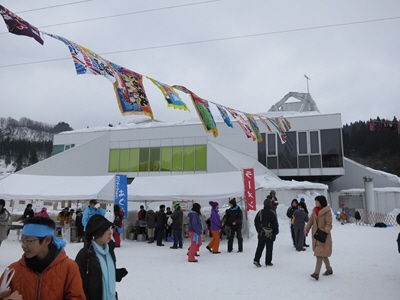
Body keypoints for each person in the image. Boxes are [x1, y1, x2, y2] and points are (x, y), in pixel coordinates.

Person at [0, 216, 86, 299]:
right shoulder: (13, 270)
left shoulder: (68, 268)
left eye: (29, 241)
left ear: (47, 240)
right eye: (22, 240)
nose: (23, 245)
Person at [75, 214, 128, 300]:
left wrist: (115, 273)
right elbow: (78, 283)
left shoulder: (109, 250)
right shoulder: (85, 255)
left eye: (109, 229)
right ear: (97, 233)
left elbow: (102, 271)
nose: (110, 232)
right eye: (106, 230)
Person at [304, 195, 333, 280]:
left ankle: (316, 273)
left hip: (323, 236)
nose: (315, 203)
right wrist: (306, 230)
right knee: (322, 254)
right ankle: (329, 269)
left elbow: (329, 224)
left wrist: (324, 231)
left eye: (317, 201)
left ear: (321, 202)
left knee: (319, 254)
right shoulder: (314, 211)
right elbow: (310, 222)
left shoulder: (327, 211)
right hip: (316, 236)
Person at [253, 199, 279, 267]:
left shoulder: (260, 212)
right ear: (270, 205)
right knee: (269, 248)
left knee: (260, 247)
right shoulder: (272, 213)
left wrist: (258, 230)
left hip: (261, 233)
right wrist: (276, 232)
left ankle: (256, 259)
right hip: (270, 234)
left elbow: (256, 222)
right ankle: (268, 262)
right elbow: (275, 224)